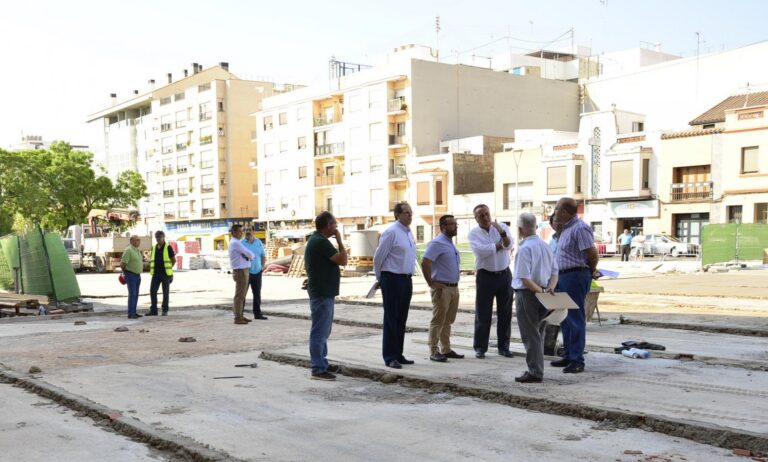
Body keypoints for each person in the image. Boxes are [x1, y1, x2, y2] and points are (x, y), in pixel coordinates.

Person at [551, 197, 599, 373]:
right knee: (564, 318)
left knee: (575, 318)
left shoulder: (580, 228)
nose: (554, 213)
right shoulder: (565, 229)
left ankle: (577, 360)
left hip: (574, 276)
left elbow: (592, 253)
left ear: (563, 212)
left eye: (556, 209)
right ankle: (569, 354)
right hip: (563, 277)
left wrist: (590, 270)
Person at [512, 213, 559, 383]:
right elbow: (555, 272)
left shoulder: (524, 249)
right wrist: (550, 289)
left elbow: (524, 278)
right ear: (536, 227)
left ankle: (535, 371)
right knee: (538, 332)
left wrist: (540, 291)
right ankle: (537, 369)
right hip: (544, 292)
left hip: (528, 294)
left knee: (530, 334)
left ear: (520, 229)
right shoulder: (545, 246)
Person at [304, 211, 347, 380]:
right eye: (334, 224)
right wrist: (340, 241)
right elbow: (343, 260)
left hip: (324, 291)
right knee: (319, 331)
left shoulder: (317, 241)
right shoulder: (321, 242)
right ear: (328, 226)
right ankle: (318, 367)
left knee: (324, 330)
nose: (336, 227)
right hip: (322, 292)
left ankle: (322, 362)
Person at [373, 202, 417, 369]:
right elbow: (379, 257)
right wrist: (381, 278)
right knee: (391, 318)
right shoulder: (391, 232)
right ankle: (390, 356)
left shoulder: (408, 233)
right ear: (397, 215)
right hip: (392, 279)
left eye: (411, 213)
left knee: (401, 319)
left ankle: (398, 353)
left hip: (406, 279)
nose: (410, 216)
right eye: (406, 213)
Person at [468, 204, 514, 359]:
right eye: (481, 215)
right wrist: (498, 245)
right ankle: (480, 347)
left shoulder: (501, 227)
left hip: (504, 275)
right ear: (476, 219)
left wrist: (501, 234)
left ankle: (504, 347)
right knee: (483, 313)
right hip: (485, 276)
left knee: (505, 313)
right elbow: (480, 252)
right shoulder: (473, 234)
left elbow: (509, 245)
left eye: (487, 213)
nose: (485, 218)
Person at [421, 215, 463, 363]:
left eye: (456, 224)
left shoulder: (450, 243)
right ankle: (434, 350)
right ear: (443, 227)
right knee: (438, 320)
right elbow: (425, 262)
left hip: (453, 288)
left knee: (448, 320)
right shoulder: (437, 243)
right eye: (452, 224)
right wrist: (431, 283)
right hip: (442, 288)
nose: (455, 226)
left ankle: (446, 348)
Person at [228, 225, 255, 325]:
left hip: (242, 270)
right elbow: (249, 254)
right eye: (239, 231)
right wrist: (250, 256)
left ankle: (240, 314)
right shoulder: (235, 243)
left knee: (242, 295)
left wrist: (248, 255)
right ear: (233, 232)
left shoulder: (236, 242)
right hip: (240, 271)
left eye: (241, 231)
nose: (241, 233)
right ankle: (237, 317)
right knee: (240, 295)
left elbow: (247, 254)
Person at [148, 230, 175, 316]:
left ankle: (165, 310)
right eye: (156, 238)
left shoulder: (168, 247)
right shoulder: (154, 248)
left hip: (165, 274)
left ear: (163, 237)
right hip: (156, 273)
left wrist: (169, 269)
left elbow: (173, 260)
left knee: (165, 292)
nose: (158, 239)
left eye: (159, 238)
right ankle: (154, 310)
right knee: (152, 291)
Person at [242, 229, 267, 320]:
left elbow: (263, 255)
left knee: (257, 294)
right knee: (242, 294)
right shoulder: (241, 243)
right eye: (246, 231)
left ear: (253, 232)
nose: (248, 232)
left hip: (257, 272)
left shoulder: (259, 242)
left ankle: (257, 314)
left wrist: (262, 267)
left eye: (250, 230)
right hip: (245, 272)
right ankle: (240, 314)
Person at [120, 235, 144, 319]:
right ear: (131, 241)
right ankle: (131, 313)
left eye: (139, 240)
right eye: (136, 240)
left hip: (137, 275)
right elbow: (123, 264)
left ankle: (134, 312)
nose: (138, 241)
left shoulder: (137, 250)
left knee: (136, 294)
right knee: (132, 294)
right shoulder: (128, 250)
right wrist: (125, 273)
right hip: (130, 275)